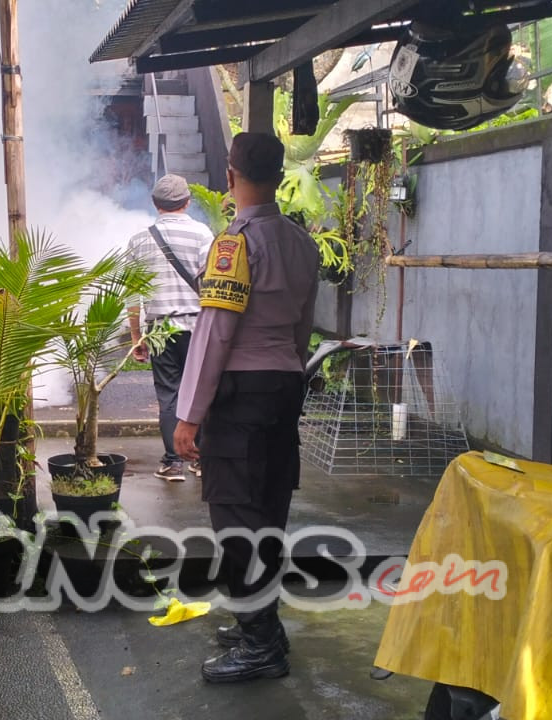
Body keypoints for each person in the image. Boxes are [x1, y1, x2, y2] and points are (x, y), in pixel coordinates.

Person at [173, 132, 320, 683]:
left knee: (235, 515)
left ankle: (262, 645)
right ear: (279, 177)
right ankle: (260, 623)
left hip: (242, 393)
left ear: (231, 177)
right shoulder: (301, 243)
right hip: (284, 384)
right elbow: (304, 326)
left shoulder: (233, 244)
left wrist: (189, 414)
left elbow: (215, 331)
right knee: (268, 510)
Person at [125, 174, 214, 482]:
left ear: (155, 204)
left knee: (169, 395)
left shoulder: (139, 239)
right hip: (198, 327)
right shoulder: (203, 234)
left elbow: (132, 293)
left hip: (160, 328)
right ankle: (200, 460)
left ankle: (173, 462)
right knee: (200, 391)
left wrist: (137, 336)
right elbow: (211, 283)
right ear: (187, 202)